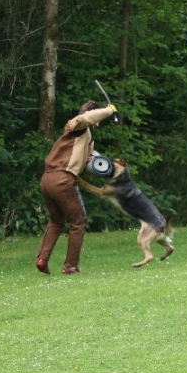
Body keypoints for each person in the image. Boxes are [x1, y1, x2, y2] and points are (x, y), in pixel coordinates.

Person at [35, 100, 117, 274]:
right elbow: (85, 118)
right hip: (62, 179)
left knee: (57, 220)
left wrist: (102, 163)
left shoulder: (84, 135)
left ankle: (42, 259)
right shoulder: (78, 125)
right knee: (78, 222)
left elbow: (89, 157)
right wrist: (109, 110)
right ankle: (71, 266)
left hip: (47, 179)